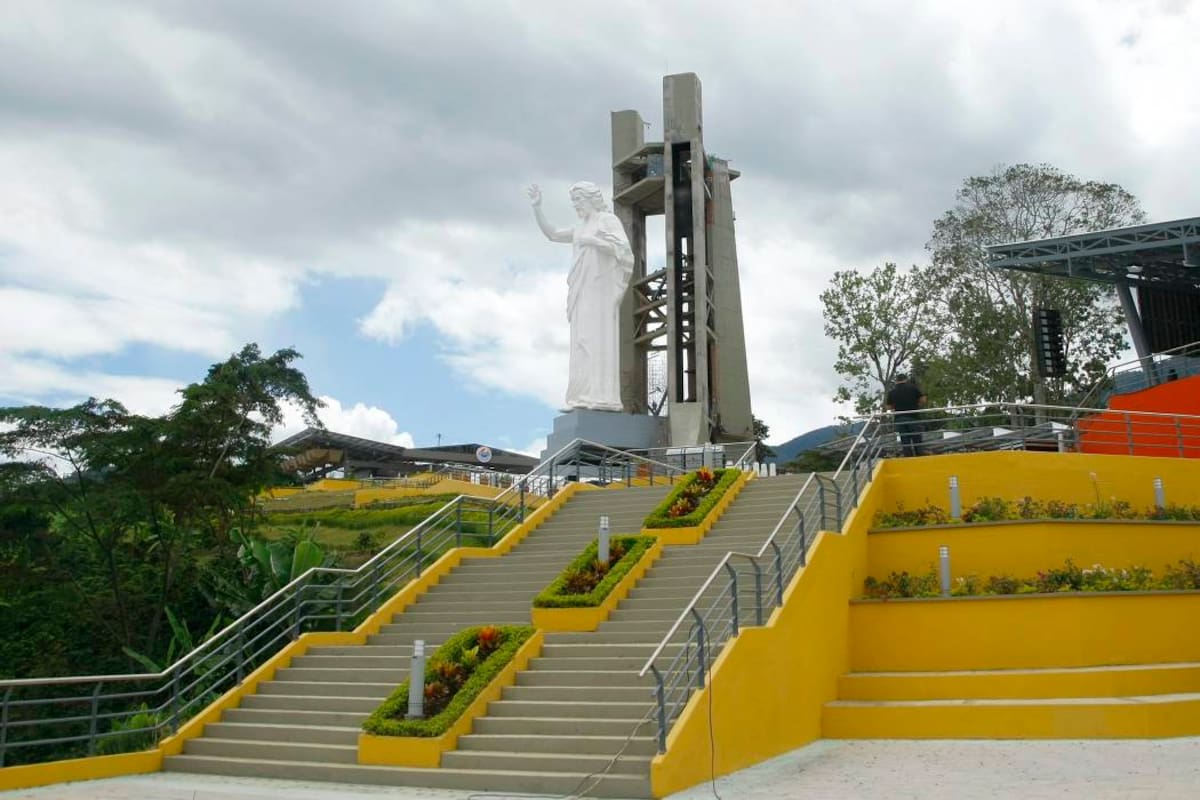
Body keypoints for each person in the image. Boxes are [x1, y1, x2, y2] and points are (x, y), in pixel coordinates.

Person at [527, 182, 634, 412]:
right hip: (582, 289)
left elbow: (624, 250)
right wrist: (538, 208)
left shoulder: (607, 220)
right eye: (574, 201)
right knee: (580, 341)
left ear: (590, 199)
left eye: (578, 200)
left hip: (600, 290)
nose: (576, 206)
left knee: (596, 339)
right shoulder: (579, 227)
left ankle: (602, 396)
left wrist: (593, 241)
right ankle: (581, 395)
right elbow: (553, 234)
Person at [886, 373, 927, 457]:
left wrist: (895, 406)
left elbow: (888, 407)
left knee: (905, 441)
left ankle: (908, 458)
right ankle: (919, 457)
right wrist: (917, 404)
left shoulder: (892, 392)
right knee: (917, 439)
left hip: (899, 418)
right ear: (906, 379)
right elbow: (923, 399)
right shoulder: (913, 388)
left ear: (896, 381)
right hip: (913, 417)